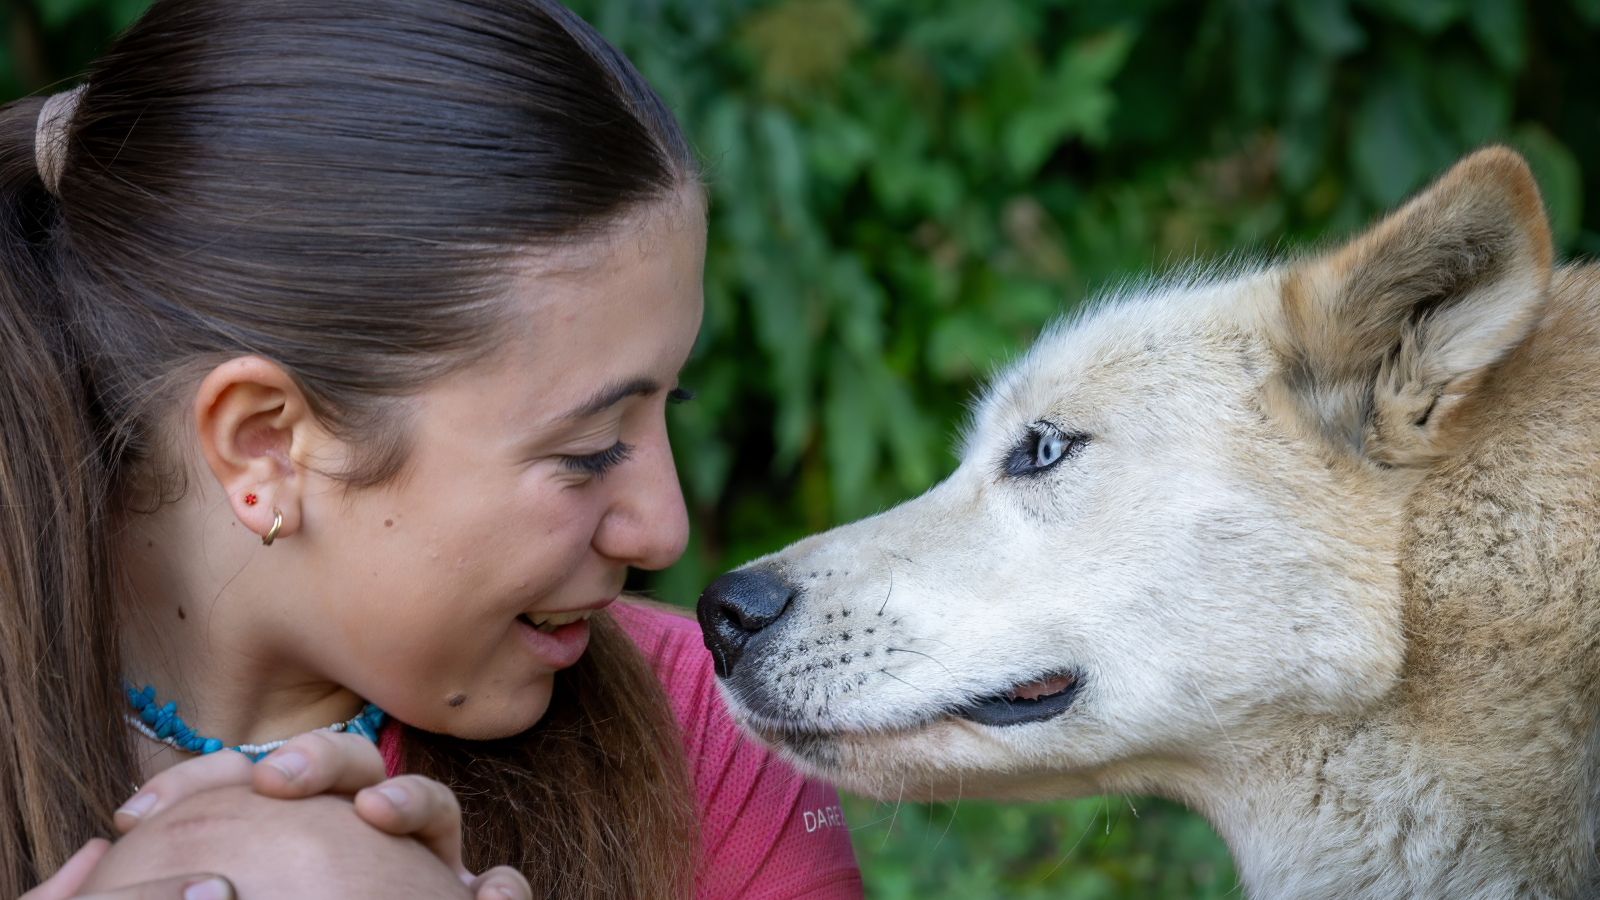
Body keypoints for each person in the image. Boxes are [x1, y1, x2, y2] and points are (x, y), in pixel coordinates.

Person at [0, 1, 865, 897]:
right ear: (265, 445)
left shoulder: (706, 737)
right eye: (589, 448)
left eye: (665, 406)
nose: (663, 532)